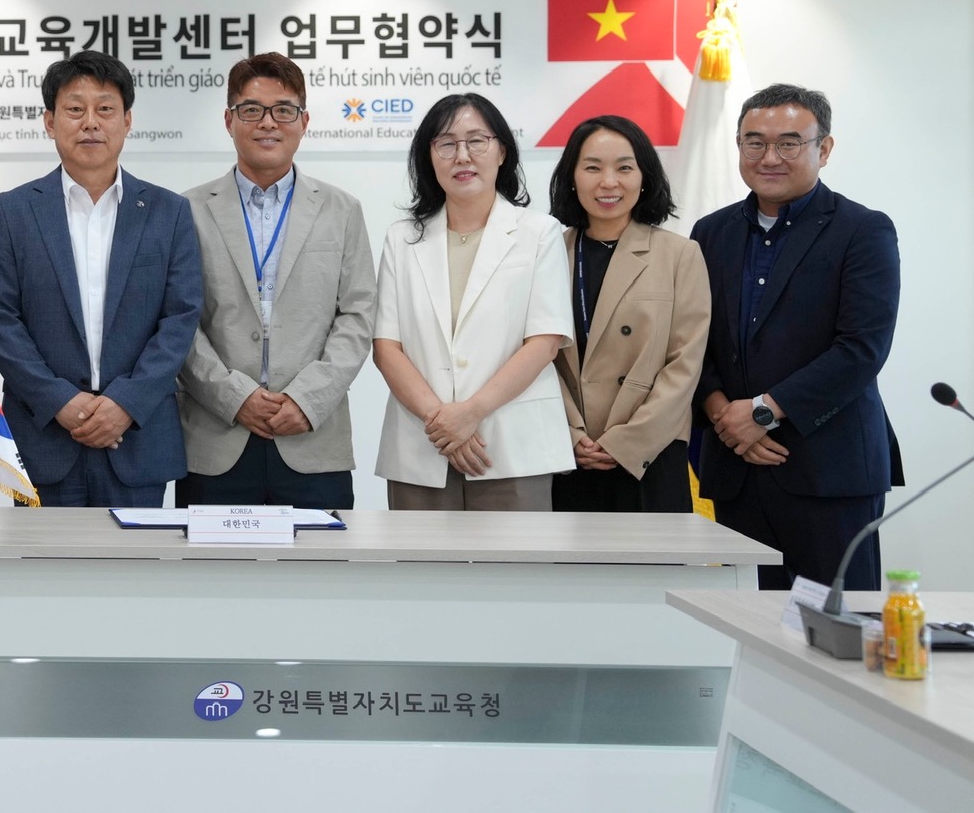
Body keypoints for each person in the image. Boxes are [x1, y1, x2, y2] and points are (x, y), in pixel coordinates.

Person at [691, 83, 899, 590]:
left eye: (789, 143)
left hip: (828, 468)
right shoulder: (710, 233)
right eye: (755, 142)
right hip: (736, 466)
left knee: (835, 623)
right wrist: (725, 417)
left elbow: (862, 349)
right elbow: (692, 341)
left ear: (823, 149)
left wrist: (763, 412)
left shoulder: (862, 230)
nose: (769, 157)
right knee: (743, 619)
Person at [0, 51, 203, 508]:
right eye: (74, 109)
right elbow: (0, 318)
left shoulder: (169, 212)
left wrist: (127, 402)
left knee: (136, 558)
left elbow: (180, 318)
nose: (90, 123)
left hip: (137, 437)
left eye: (105, 109)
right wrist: (58, 400)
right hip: (44, 437)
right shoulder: (13, 211)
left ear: (127, 121)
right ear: (49, 121)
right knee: (42, 559)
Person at [178, 53, 373, 509]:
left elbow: (358, 316)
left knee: (321, 557)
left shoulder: (342, 210)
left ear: (304, 121)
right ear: (229, 120)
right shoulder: (186, 211)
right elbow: (177, 320)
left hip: (312, 438)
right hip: (215, 439)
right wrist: (233, 396)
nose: (268, 123)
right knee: (212, 560)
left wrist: (307, 399)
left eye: (283, 110)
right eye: (251, 110)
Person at [372, 93, 574, 510]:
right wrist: (442, 422)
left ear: (502, 151)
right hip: (421, 446)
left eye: (476, 141)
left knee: (516, 556)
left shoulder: (540, 232)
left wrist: (470, 413)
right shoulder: (401, 238)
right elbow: (386, 347)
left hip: (512, 447)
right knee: (419, 555)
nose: (462, 156)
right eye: (446, 144)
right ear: (429, 157)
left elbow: (544, 342)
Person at [546, 116, 710, 513]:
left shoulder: (679, 254)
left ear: (644, 177)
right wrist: (568, 434)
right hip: (566, 453)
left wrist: (628, 442)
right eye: (592, 168)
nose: (608, 182)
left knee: (652, 556)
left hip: (650, 452)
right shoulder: (546, 252)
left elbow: (685, 363)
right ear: (572, 177)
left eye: (624, 168)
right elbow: (534, 357)